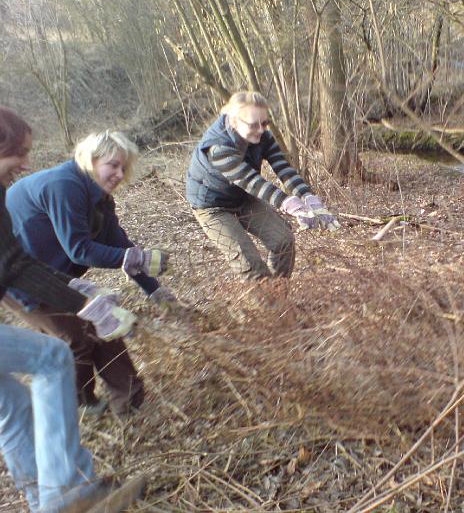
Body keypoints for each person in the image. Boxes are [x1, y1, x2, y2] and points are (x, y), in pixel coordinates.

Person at [0, 106, 145, 512]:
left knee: (13, 408)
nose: (27, 163)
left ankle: (45, 502)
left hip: (35, 277)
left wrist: (146, 287)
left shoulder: (97, 198)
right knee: (55, 355)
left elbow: (12, 262)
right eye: (19, 153)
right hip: (28, 287)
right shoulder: (66, 186)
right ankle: (71, 494)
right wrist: (87, 303)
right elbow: (56, 255)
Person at [2, 130, 173, 415]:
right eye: (112, 164)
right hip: (19, 276)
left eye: (123, 167)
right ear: (91, 160)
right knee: (76, 337)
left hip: (56, 273)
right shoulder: (64, 185)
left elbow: (118, 243)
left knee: (104, 322)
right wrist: (138, 258)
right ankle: (81, 405)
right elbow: (79, 249)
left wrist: (153, 288)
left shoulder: (100, 198)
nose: (119, 173)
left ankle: (129, 402)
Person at [186, 91, 340, 280]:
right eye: (253, 124)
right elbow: (251, 181)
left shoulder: (263, 136)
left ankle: (279, 296)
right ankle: (271, 305)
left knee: (283, 240)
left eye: (265, 123)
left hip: (241, 197)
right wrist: (290, 204)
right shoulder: (218, 147)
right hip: (212, 206)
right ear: (234, 121)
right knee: (250, 265)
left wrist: (308, 197)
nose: (261, 129)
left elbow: (283, 168)